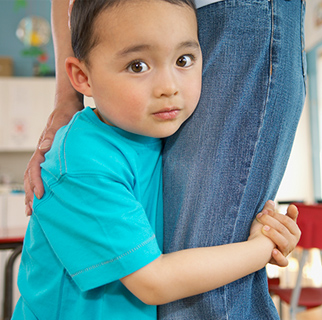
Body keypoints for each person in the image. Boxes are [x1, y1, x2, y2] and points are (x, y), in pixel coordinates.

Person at [14, 0, 300, 319]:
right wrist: (261, 248)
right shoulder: (84, 159)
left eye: (183, 59)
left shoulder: (148, 132)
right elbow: (153, 281)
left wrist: (272, 232)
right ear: (82, 77)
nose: (168, 88)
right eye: (138, 66)